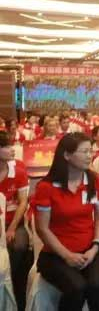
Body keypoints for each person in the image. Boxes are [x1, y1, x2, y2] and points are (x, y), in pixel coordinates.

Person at [33, 133, 99, 311]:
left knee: (98, 287)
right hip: (56, 255)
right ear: (67, 155)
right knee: (77, 288)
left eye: (90, 151)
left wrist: (95, 247)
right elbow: (42, 228)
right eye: (84, 152)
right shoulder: (46, 187)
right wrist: (67, 255)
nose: (90, 156)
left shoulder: (95, 181)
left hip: (90, 250)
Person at [0, 131, 31, 311]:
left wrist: (11, 228)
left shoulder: (18, 172)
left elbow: (23, 202)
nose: (12, 149)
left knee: (19, 246)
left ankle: (13, 285)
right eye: (6, 146)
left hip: (14, 223)